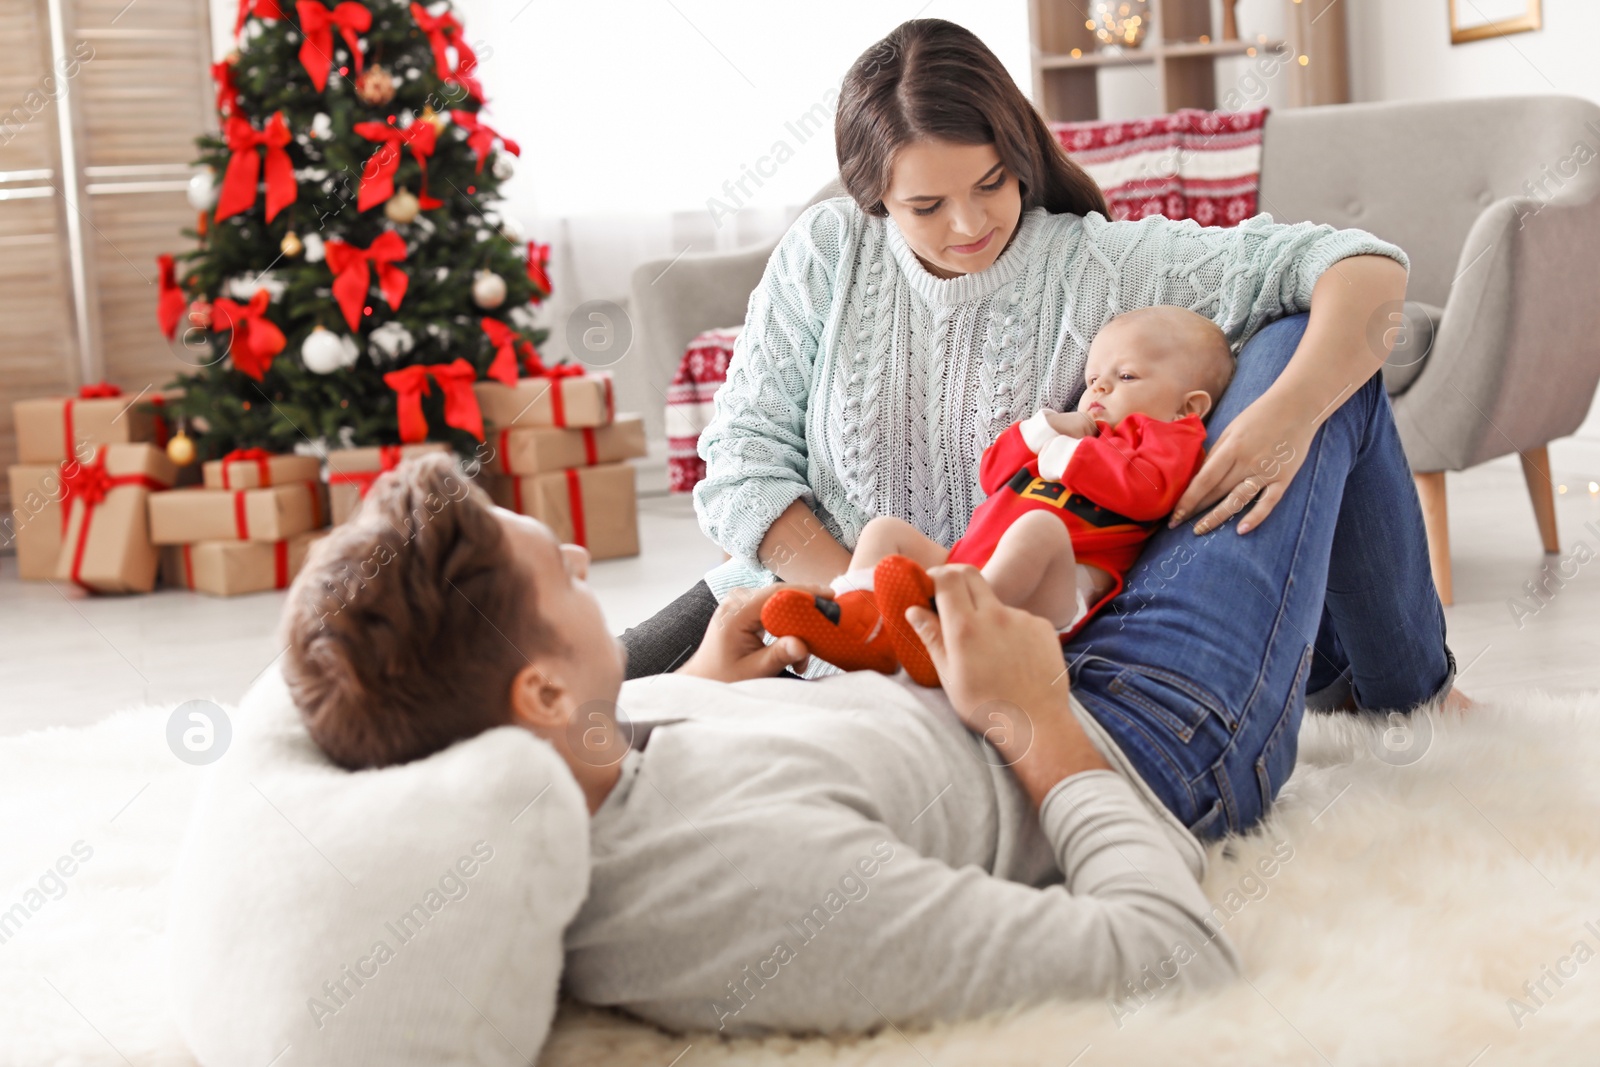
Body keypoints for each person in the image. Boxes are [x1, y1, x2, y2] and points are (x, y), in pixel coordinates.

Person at [280, 453, 1244, 1035]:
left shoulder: (578, 756)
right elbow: (1169, 953)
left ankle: (1383, 664)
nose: (583, 558)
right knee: (1303, 361)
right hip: (1135, 735)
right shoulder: (738, 892)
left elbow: (634, 756)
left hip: (978, 668)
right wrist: (1034, 714)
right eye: (560, 575)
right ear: (538, 690)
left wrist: (698, 688)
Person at [759, 305, 1230, 684]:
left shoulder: (1169, 435)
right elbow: (992, 475)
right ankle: (859, 622)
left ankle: (962, 635)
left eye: (1126, 377)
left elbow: (1149, 493)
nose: (1100, 387)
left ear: (1187, 406)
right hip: (971, 568)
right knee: (885, 532)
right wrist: (1042, 430)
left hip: (1053, 591)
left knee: (1037, 528)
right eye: (1092, 380)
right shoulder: (1076, 434)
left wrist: (1069, 454)